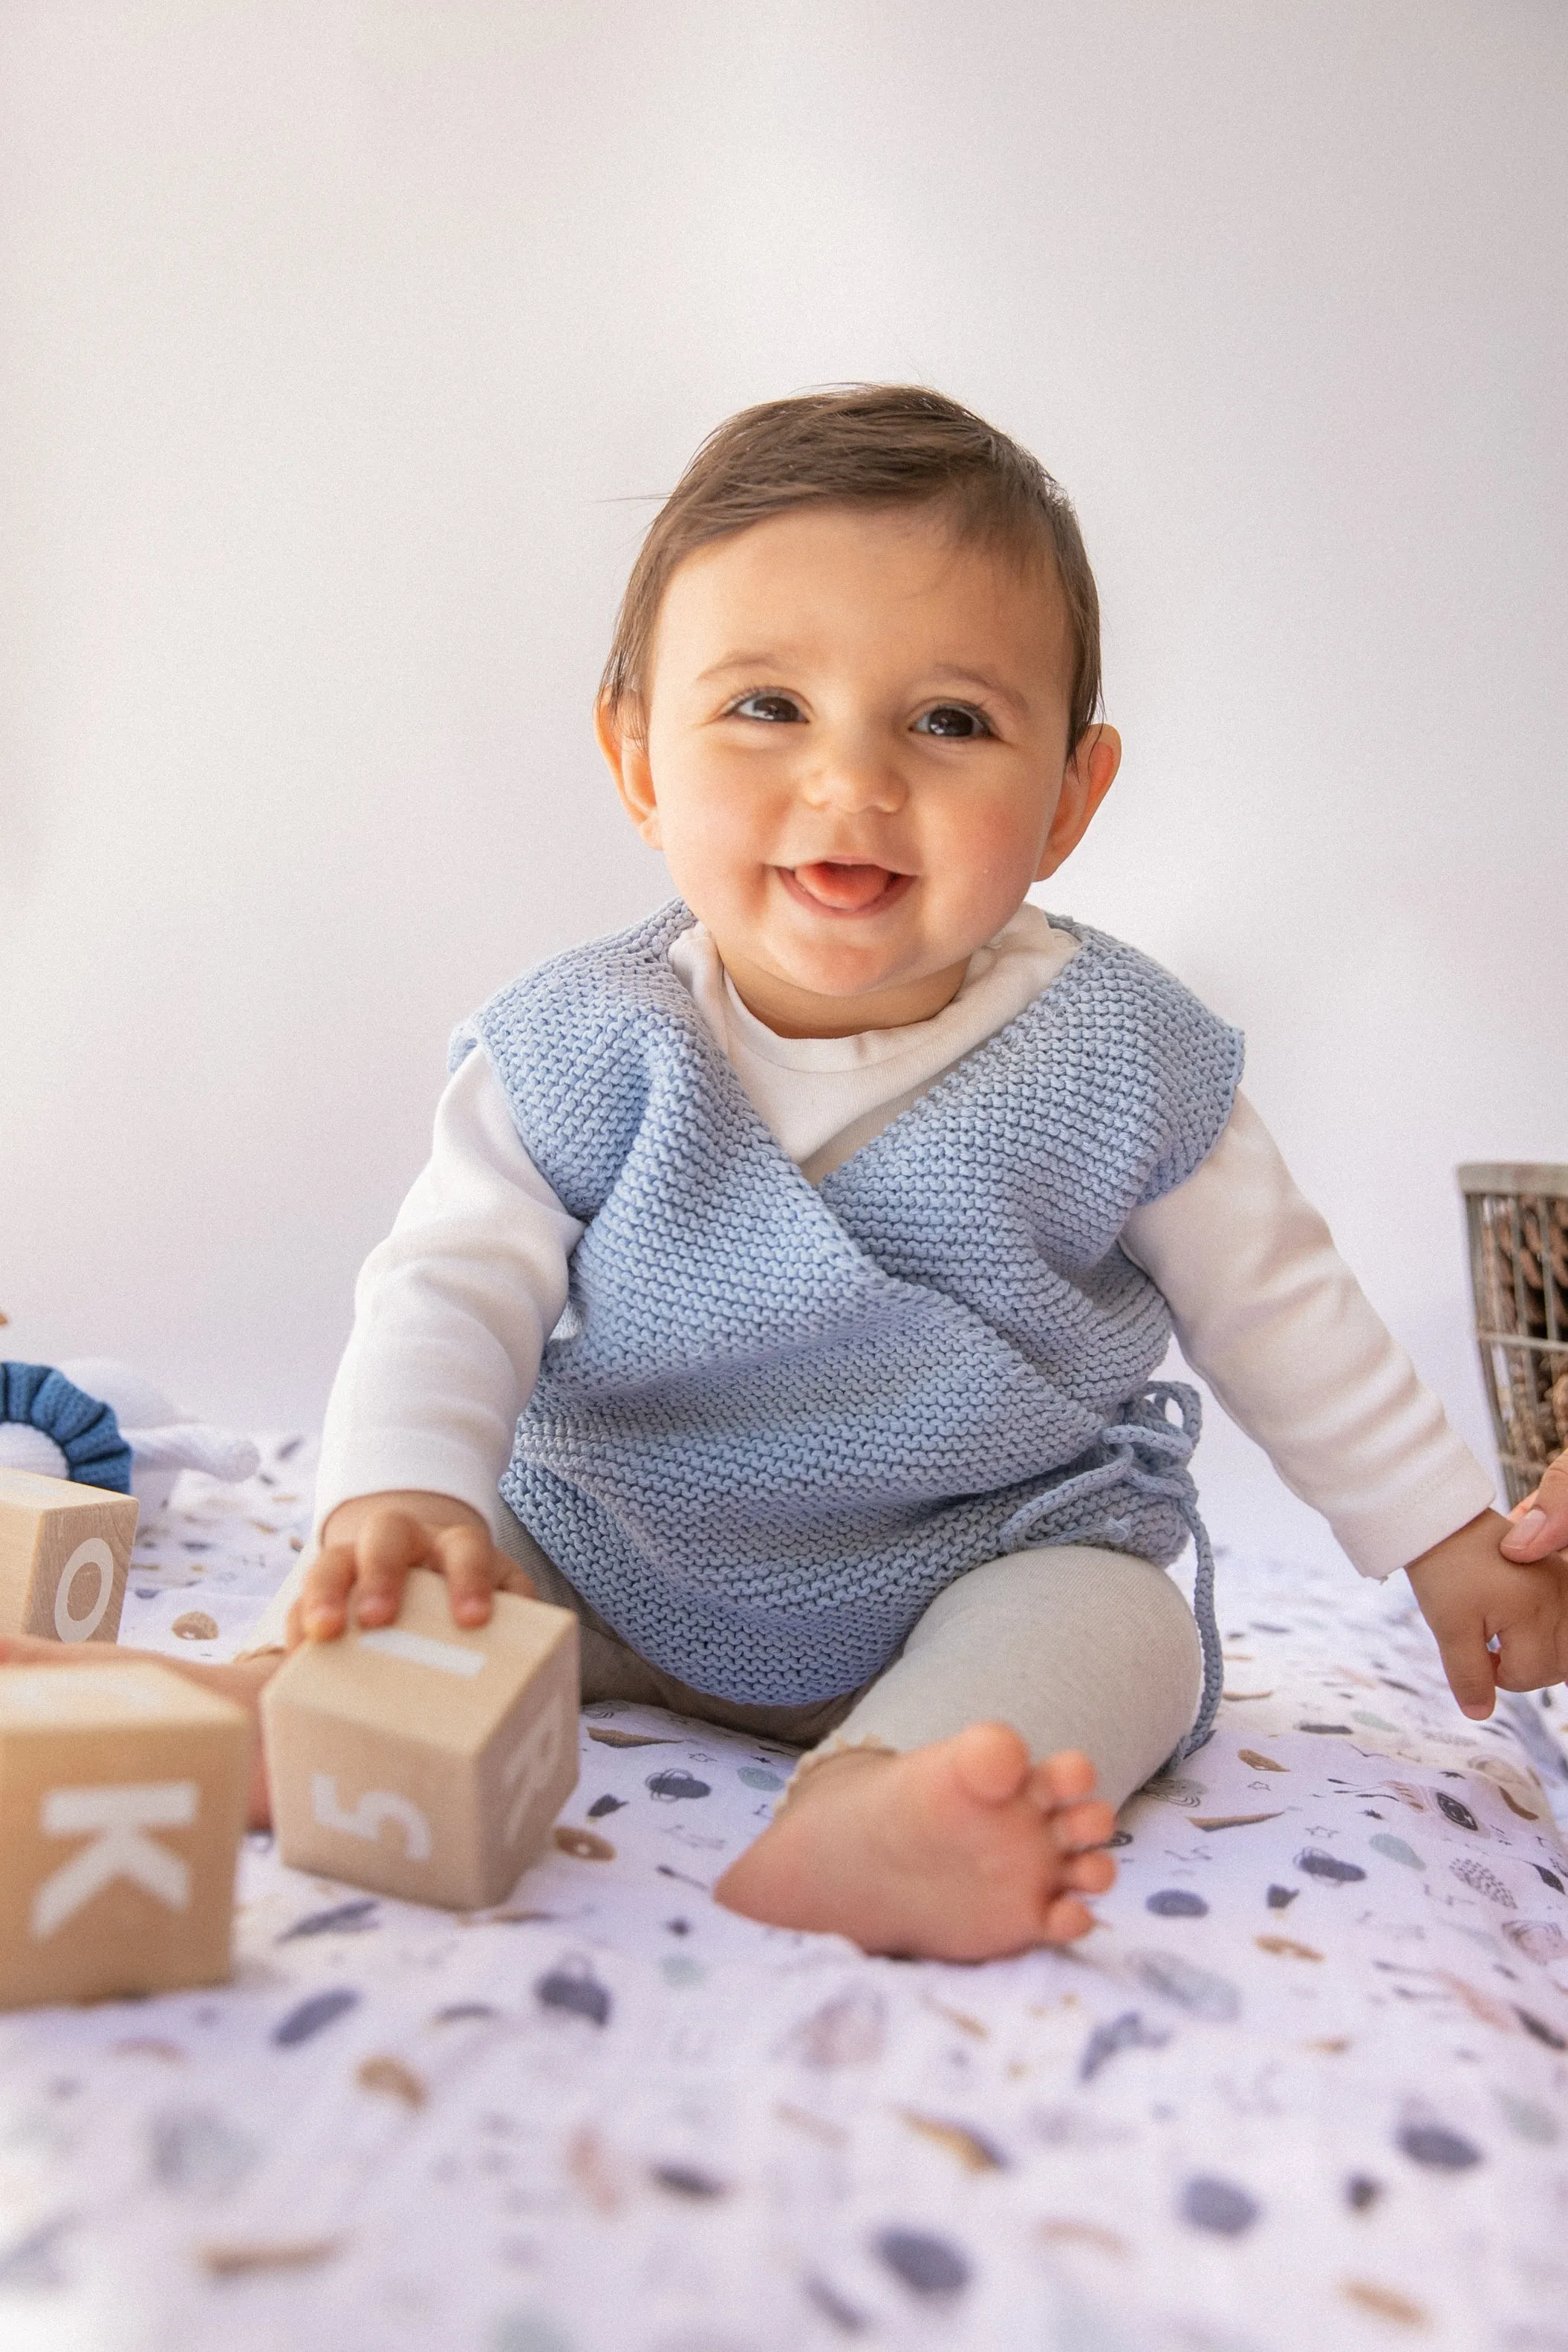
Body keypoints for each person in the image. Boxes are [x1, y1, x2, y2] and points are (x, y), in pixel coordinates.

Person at [11, 387, 1567, 1962]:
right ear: (636, 758)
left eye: (948, 721)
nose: (853, 780)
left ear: (1069, 801)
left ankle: (879, 1806)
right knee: (446, 1583)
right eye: (767, 706)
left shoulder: (1127, 1059)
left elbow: (1286, 1320)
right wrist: (399, 1486)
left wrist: (1446, 1537)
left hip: (974, 1565)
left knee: (1126, 1630)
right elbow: (450, 1282)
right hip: (610, 1542)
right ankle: (300, 1716)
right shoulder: (582, 1040)